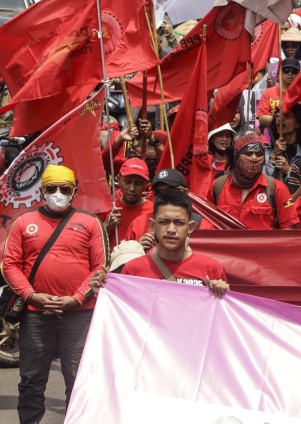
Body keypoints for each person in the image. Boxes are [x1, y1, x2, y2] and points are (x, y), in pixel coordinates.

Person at [1, 165, 108, 422]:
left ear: (74, 192)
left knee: (79, 381)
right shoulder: (23, 223)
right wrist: (30, 295)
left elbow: (100, 268)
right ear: (41, 191)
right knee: (31, 381)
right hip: (36, 315)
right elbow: (9, 265)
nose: (57, 193)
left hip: (79, 315)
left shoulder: (91, 222)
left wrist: (77, 299)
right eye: (51, 188)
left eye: (64, 189)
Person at [96, 190, 229, 296]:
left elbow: (221, 318)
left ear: (191, 227)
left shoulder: (211, 269)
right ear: (152, 225)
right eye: (164, 222)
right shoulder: (133, 269)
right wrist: (104, 290)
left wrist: (223, 294)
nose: (171, 230)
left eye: (179, 223)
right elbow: (122, 312)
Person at [208, 132, 299, 229]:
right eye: (248, 153)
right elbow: (207, 222)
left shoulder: (278, 189)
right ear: (236, 156)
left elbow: (289, 231)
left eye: (259, 154)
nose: (254, 158)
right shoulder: (217, 186)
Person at [102, 157, 151, 244]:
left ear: (146, 184)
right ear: (118, 179)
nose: (132, 188)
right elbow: (92, 242)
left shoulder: (153, 211)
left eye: (138, 183)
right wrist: (105, 226)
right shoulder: (107, 207)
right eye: (127, 182)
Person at [256, 58, 301, 129]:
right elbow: (261, 118)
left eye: (294, 71)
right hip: (273, 136)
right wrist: (278, 119)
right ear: (280, 72)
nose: (290, 74)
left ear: (299, 74)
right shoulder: (268, 93)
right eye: (286, 70)